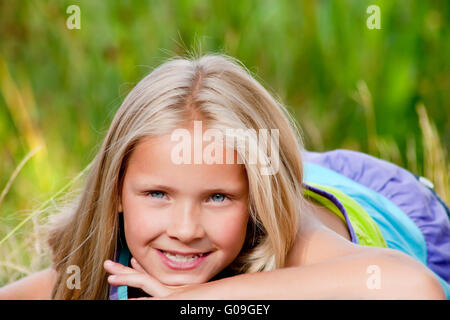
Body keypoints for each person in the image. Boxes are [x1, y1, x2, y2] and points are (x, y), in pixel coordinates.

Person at [0, 54, 448, 300]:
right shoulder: (114, 253)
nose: (184, 230)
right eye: (157, 193)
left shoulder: (294, 237)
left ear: (254, 201)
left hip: (385, 203)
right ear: (116, 191)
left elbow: (415, 288)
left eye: (217, 199)